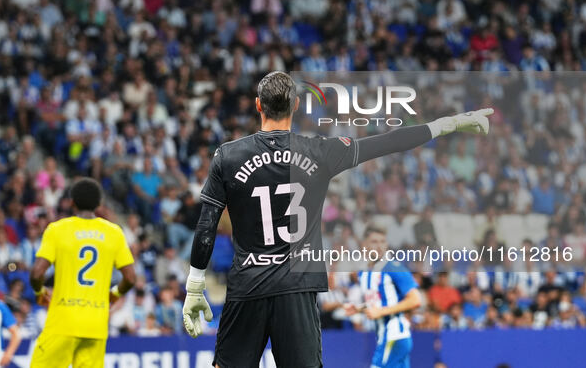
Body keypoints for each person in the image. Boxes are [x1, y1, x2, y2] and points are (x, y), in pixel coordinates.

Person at [181, 71, 493, 367]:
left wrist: (195, 286)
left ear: (258, 105)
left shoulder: (229, 155)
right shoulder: (320, 151)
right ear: (297, 106)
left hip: (247, 286)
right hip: (298, 288)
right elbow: (388, 141)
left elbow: (206, 224)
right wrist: (449, 124)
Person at [29, 178, 136, 368]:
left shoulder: (57, 229)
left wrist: (40, 293)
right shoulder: (114, 233)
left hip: (63, 323)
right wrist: (114, 294)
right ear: (99, 204)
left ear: (72, 202)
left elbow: (37, 274)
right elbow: (130, 278)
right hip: (95, 325)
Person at [344, 227, 421, 368]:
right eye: (374, 241)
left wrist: (381, 312)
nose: (379, 246)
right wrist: (358, 308)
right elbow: (378, 304)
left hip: (394, 336)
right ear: (364, 245)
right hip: (384, 336)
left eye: (383, 241)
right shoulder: (363, 273)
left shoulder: (394, 268)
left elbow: (415, 300)